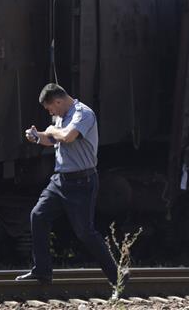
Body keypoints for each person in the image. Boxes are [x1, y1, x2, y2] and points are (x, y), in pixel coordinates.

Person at [16, 83, 118, 288]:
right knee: (38, 215)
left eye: (50, 108)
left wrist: (52, 129)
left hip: (82, 181)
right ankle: (42, 272)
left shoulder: (84, 114)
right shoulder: (60, 116)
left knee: (85, 233)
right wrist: (37, 136)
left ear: (59, 101)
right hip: (61, 180)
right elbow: (53, 139)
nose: (50, 112)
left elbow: (68, 137)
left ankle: (118, 277)